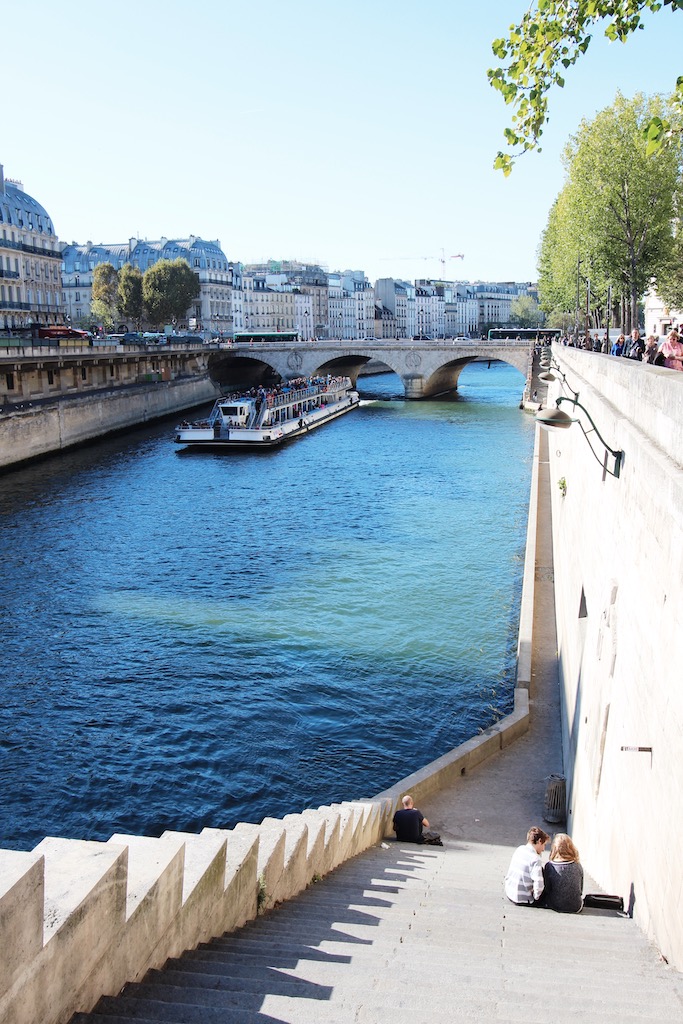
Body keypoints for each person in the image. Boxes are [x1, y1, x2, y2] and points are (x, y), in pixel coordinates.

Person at [504, 826, 550, 905]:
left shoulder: (520, 849)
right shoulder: (535, 859)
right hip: (523, 898)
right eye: (544, 845)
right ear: (539, 841)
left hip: (510, 892)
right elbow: (539, 883)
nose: (543, 849)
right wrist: (536, 897)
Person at [543, 833, 584, 913]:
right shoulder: (578, 865)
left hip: (555, 905)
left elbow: (547, 889)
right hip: (576, 906)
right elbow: (580, 890)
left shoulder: (550, 866)